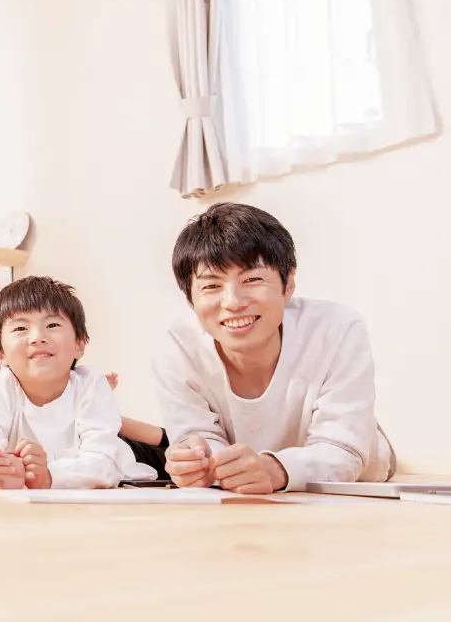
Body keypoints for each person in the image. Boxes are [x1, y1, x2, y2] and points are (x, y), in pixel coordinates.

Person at [152, 202, 396, 494]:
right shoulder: (177, 346)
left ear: (288, 283)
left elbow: (342, 448)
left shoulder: (336, 328)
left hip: (358, 471)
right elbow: (196, 438)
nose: (233, 302)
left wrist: (276, 469)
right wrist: (198, 465)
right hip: (248, 487)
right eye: (211, 286)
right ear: (190, 299)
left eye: (252, 279)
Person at [0, 276, 159, 489]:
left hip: (128, 457)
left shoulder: (91, 384)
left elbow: (103, 463)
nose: (37, 337)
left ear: (79, 344)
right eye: (20, 328)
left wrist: (48, 476)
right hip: (77, 458)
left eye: (52, 325)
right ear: (0, 354)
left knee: (170, 454)